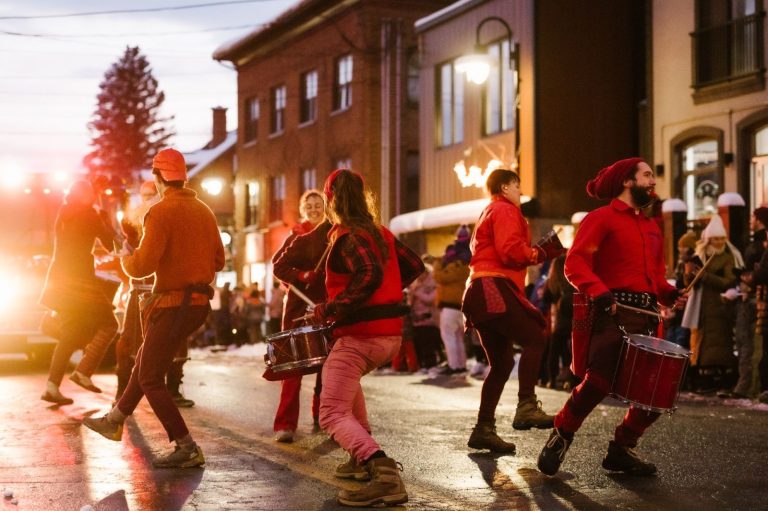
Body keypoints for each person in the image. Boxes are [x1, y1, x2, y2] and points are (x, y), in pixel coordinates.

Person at [537, 157, 687, 477]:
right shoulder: (600, 218)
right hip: (611, 313)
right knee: (597, 384)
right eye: (646, 176)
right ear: (627, 182)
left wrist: (670, 294)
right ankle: (561, 435)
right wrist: (601, 293)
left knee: (654, 393)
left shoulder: (651, 227)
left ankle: (622, 449)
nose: (652, 181)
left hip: (647, 317)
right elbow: (574, 265)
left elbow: (656, 279)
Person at [83, 148, 225, 469]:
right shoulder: (204, 210)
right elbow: (219, 260)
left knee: (150, 377)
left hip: (173, 304)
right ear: (183, 176)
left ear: (158, 178)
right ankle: (115, 419)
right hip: (198, 305)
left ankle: (187, 446)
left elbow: (141, 266)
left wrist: (124, 257)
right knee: (147, 361)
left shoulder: (159, 212)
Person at [312, 169, 423, 507]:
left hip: (362, 335)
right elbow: (415, 265)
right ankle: (361, 460)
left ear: (331, 199)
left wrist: (335, 306)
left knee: (330, 412)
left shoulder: (350, 237)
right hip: (388, 334)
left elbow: (370, 273)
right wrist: (386, 301)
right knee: (347, 385)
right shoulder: (380, 233)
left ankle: (382, 471)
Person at [460, 168, 557, 454]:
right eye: (517, 185)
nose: (520, 192)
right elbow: (510, 250)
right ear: (504, 187)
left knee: (502, 363)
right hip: (493, 286)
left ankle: (484, 429)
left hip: (478, 290)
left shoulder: (487, 212)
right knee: (535, 336)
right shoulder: (505, 210)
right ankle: (526, 405)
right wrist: (539, 253)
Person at [39, 179, 119, 405]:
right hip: (79, 283)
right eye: (91, 193)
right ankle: (83, 371)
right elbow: (111, 244)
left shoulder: (63, 213)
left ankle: (52, 387)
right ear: (86, 195)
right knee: (110, 323)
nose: (94, 196)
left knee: (70, 334)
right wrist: (105, 218)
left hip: (59, 282)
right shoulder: (89, 215)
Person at [271, 188, 331, 442]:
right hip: (298, 304)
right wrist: (300, 276)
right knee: (293, 362)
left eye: (319, 204)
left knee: (328, 363)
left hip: (326, 303)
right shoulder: (296, 235)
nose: (315, 208)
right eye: (310, 205)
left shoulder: (332, 234)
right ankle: (285, 423)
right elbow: (279, 266)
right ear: (303, 209)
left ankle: (324, 416)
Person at [681, 214, 742, 394]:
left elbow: (729, 281)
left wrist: (706, 276)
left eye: (721, 238)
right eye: (715, 238)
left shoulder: (728, 257)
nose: (719, 242)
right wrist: (688, 274)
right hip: (700, 307)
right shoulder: (699, 255)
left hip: (719, 306)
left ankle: (718, 378)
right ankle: (703, 378)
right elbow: (688, 283)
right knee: (700, 341)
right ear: (708, 239)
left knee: (719, 345)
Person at [728, 207, 768, 398]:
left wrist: (745, 277)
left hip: (757, 298)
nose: (751, 220)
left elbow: (760, 273)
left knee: (753, 345)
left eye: (753, 217)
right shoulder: (758, 244)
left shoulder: (760, 245)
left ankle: (752, 387)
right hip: (756, 297)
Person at [432, 225, 472, 377]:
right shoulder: (469, 260)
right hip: (461, 306)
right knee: (458, 338)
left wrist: (436, 265)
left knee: (449, 337)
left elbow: (441, 277)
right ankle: (460, 365)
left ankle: (454, 366)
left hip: (450, 305)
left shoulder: (457, 262)